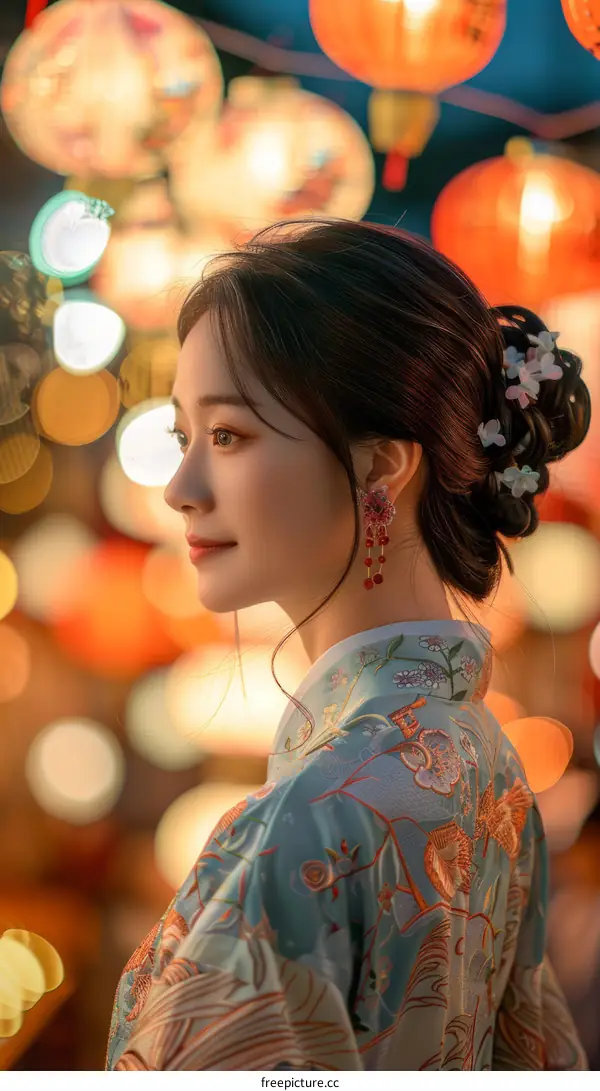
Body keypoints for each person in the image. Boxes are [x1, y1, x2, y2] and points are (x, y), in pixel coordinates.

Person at [105, 217, 590, 1071]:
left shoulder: (306, 825)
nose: (180, 489)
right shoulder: (487, 767)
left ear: (381, 467)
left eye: (227, 435)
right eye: (184, 437)